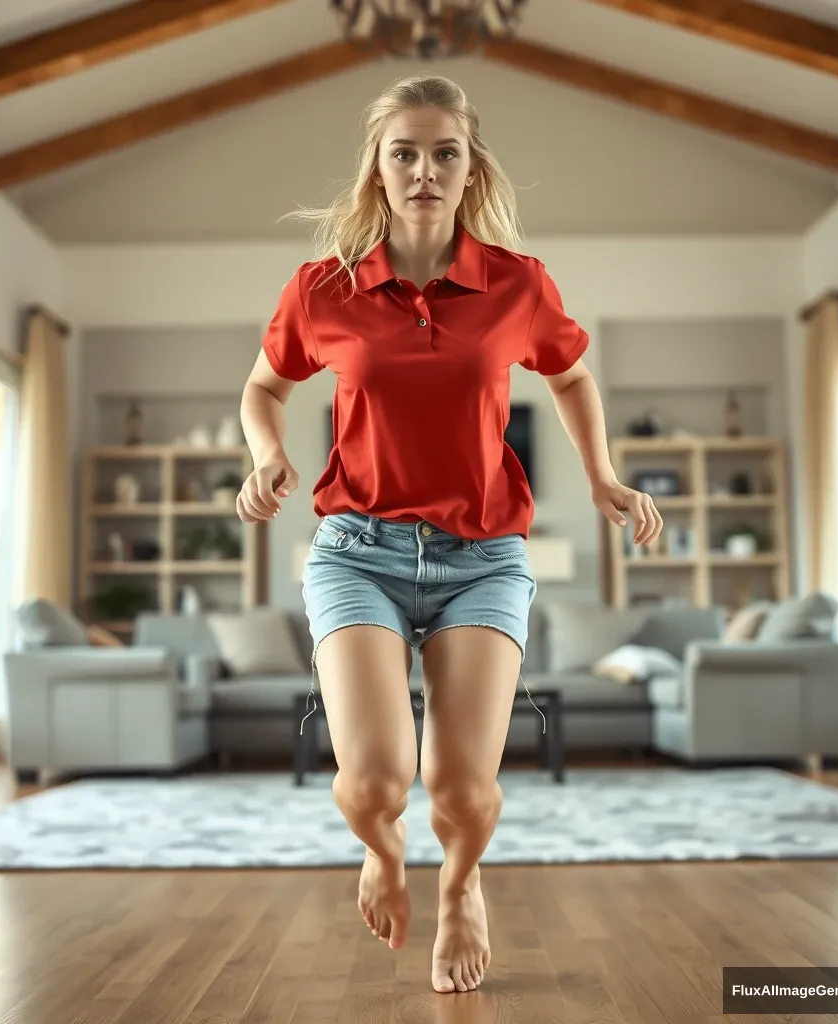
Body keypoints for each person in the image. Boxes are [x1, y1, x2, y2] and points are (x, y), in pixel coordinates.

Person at [237, 73, 663, 994]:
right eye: (404, 152)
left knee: (463, 793)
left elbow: (573, 376)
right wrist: (265, 453)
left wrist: (601, 477)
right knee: (376, 785)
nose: (424, 169)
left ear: (470, 169)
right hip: (357, 553)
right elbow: (264, 388)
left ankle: (462, 886)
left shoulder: (517, 283)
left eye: (444, 152)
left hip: (482, 561)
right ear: (377, 170)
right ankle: (382, 854)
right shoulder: (325, 289)